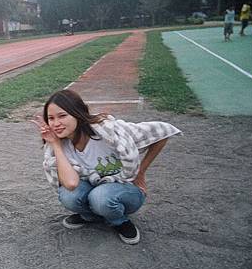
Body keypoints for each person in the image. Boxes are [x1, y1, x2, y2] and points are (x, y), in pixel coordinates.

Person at [34, 90, 181, 245]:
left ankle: (119, 221)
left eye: (62, 116)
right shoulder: (61, 145)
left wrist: (141, 172)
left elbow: (162, 132)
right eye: (51, 118)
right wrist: (55, 144)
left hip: (125, 190)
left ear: (77, 113)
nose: (56, 123)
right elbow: (70, 183)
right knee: (68, 195)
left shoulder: (109, 132)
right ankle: (91, 216)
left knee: (100, 197)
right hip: (95, 187)